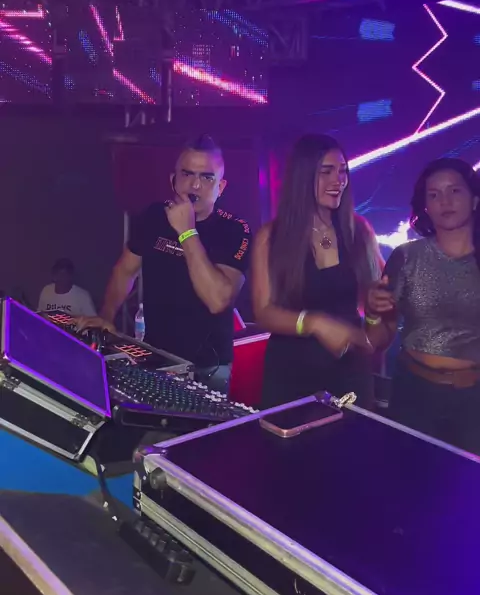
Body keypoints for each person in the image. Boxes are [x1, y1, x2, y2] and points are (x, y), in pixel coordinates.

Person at [87, 135, 251, 394]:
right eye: (187, 174)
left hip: (209, 367)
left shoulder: (235, 230)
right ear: (173, 179)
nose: (195, 185)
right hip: (156, 355)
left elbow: (218, 300)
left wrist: (187, 232)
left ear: (221, 187)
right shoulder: (154, 216)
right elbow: (125, 271)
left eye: (207, 177)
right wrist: (106, 317)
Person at [252, 134, 383, 409]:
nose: (338, 180)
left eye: (343, 171)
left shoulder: (360, 230)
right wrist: (315, 323)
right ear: (303, 177)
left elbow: (377, 296)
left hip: (349, 372)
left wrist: (378, 310)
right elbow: (263, 312)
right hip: (291, 375)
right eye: (327, 172)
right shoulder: (271, 237)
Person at [366, 157, 480, 454]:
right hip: (415, 394)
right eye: (434, 194)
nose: (445, 201)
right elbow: (379, 338)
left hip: (474, 401)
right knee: (410, 475)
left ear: (474, 199)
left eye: (454, 191)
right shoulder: (406, 257)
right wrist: (373, 314)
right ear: (425, 206)